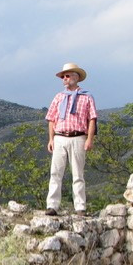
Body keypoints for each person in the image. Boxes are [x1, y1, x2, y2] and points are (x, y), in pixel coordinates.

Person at [44, 63, 97, 217]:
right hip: (60, 137)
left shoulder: (87, 97)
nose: (64, 79)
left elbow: (92, 119)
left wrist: (89, 139)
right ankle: (52, 205)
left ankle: (80, 207)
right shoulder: (59, 97)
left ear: (76, 77)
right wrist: (51, 139)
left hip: (78, 137)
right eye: (63, 77)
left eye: (67, 76)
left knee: (78, 174)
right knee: (56, 172)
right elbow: (51, 119)